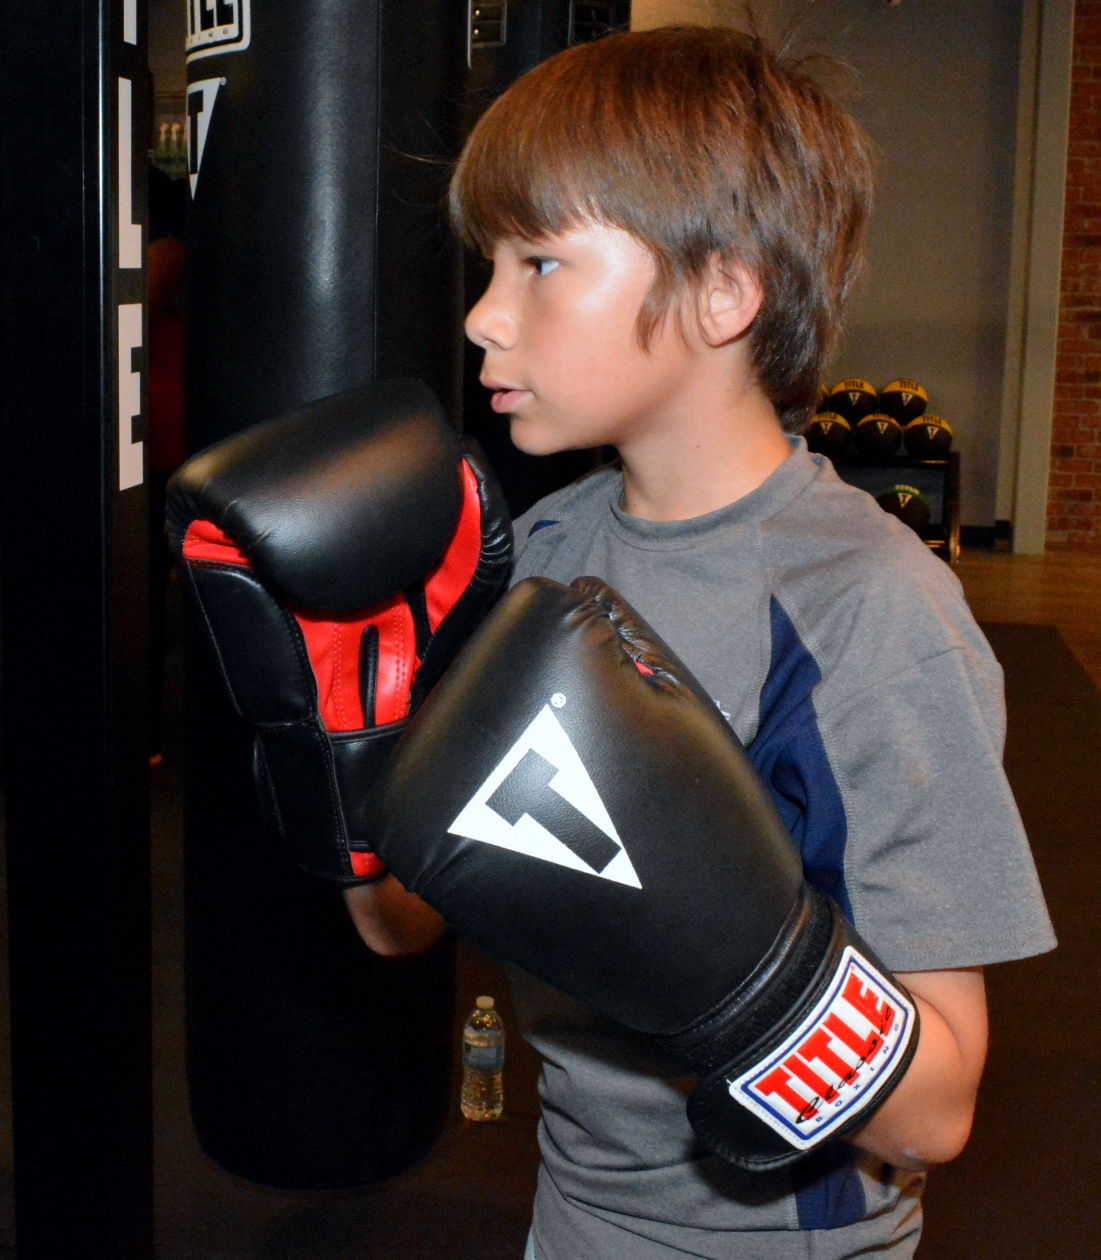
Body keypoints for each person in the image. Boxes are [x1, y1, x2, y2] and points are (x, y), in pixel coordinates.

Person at [340, 24, 1055, 1257]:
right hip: (570, 1203)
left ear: (724, 290)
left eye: (541, 263)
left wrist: (737, 963)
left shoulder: (866, 610)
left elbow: (935, 1113)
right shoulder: (546, 557)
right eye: (488, 264)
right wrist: (352, 743)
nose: (484, 318)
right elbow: (399, 927)